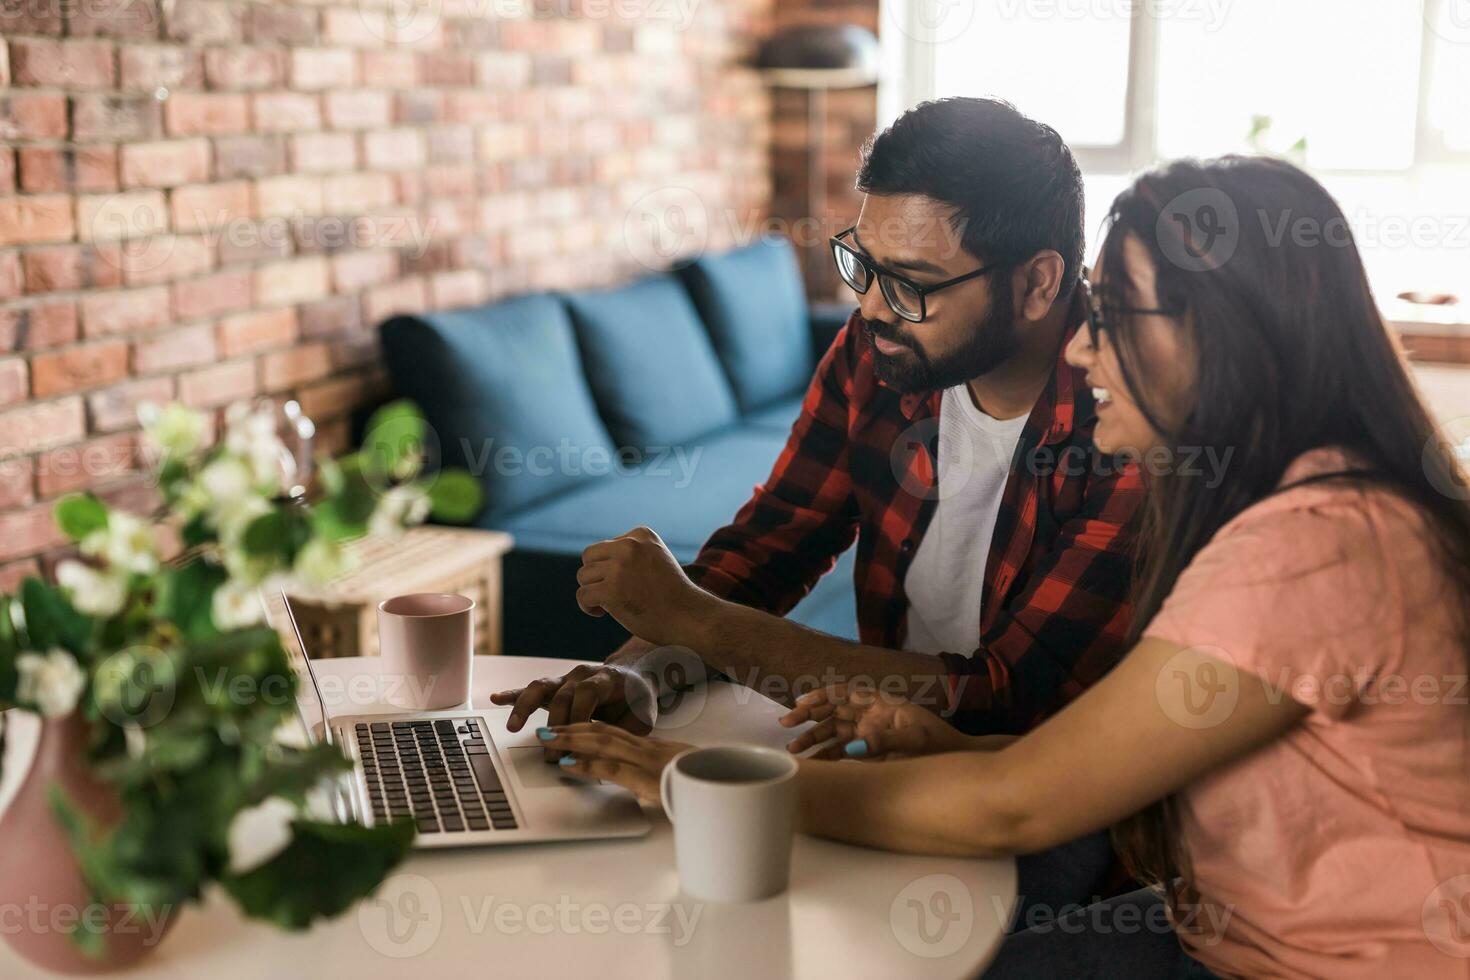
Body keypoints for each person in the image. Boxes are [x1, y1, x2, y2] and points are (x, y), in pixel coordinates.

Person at [540, 155, 1470, 978]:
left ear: (1226, 339)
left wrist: (679, 773)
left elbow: (1013, 799)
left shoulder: (1306, 543)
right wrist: (647, 671)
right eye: (863, 268)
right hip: (1212, 909)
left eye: (1111, 317)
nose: (1080, 345)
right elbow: (1111, 762)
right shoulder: (1281, 501)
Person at [494, 96, 1143, 746]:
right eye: (863, 265)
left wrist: (695, 619)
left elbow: (1007, 698)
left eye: (910, 284)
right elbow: (775, 543)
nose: (870, 307)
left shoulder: (1133, 422)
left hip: (1041, 796)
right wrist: (640, 672)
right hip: (890, 758)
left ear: (1038, 284)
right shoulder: (877, 353)